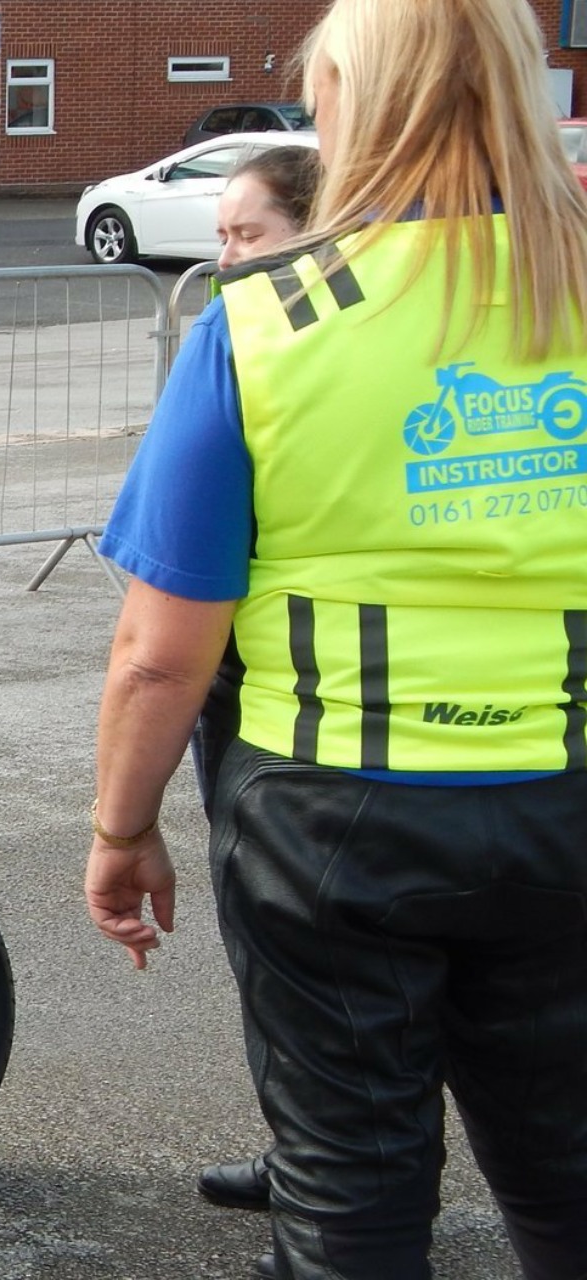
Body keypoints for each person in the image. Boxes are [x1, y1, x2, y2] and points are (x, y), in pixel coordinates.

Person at [86, 0, 587, 1276]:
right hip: (566, 804)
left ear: (359, 104)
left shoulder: (261, 323)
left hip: (329, 822)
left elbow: (160, 650)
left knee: (351, 1187)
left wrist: (122, 826)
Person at [189, 143, 324, 1219]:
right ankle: (304, 1146)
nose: (229, 257)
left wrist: (117, 819)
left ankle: (330, 1159)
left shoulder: (272, 346)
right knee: (265, 949)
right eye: (223, 236)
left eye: (253, 235)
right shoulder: (239, 336)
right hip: (241, 677)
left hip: (292, 703)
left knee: (307, 954)